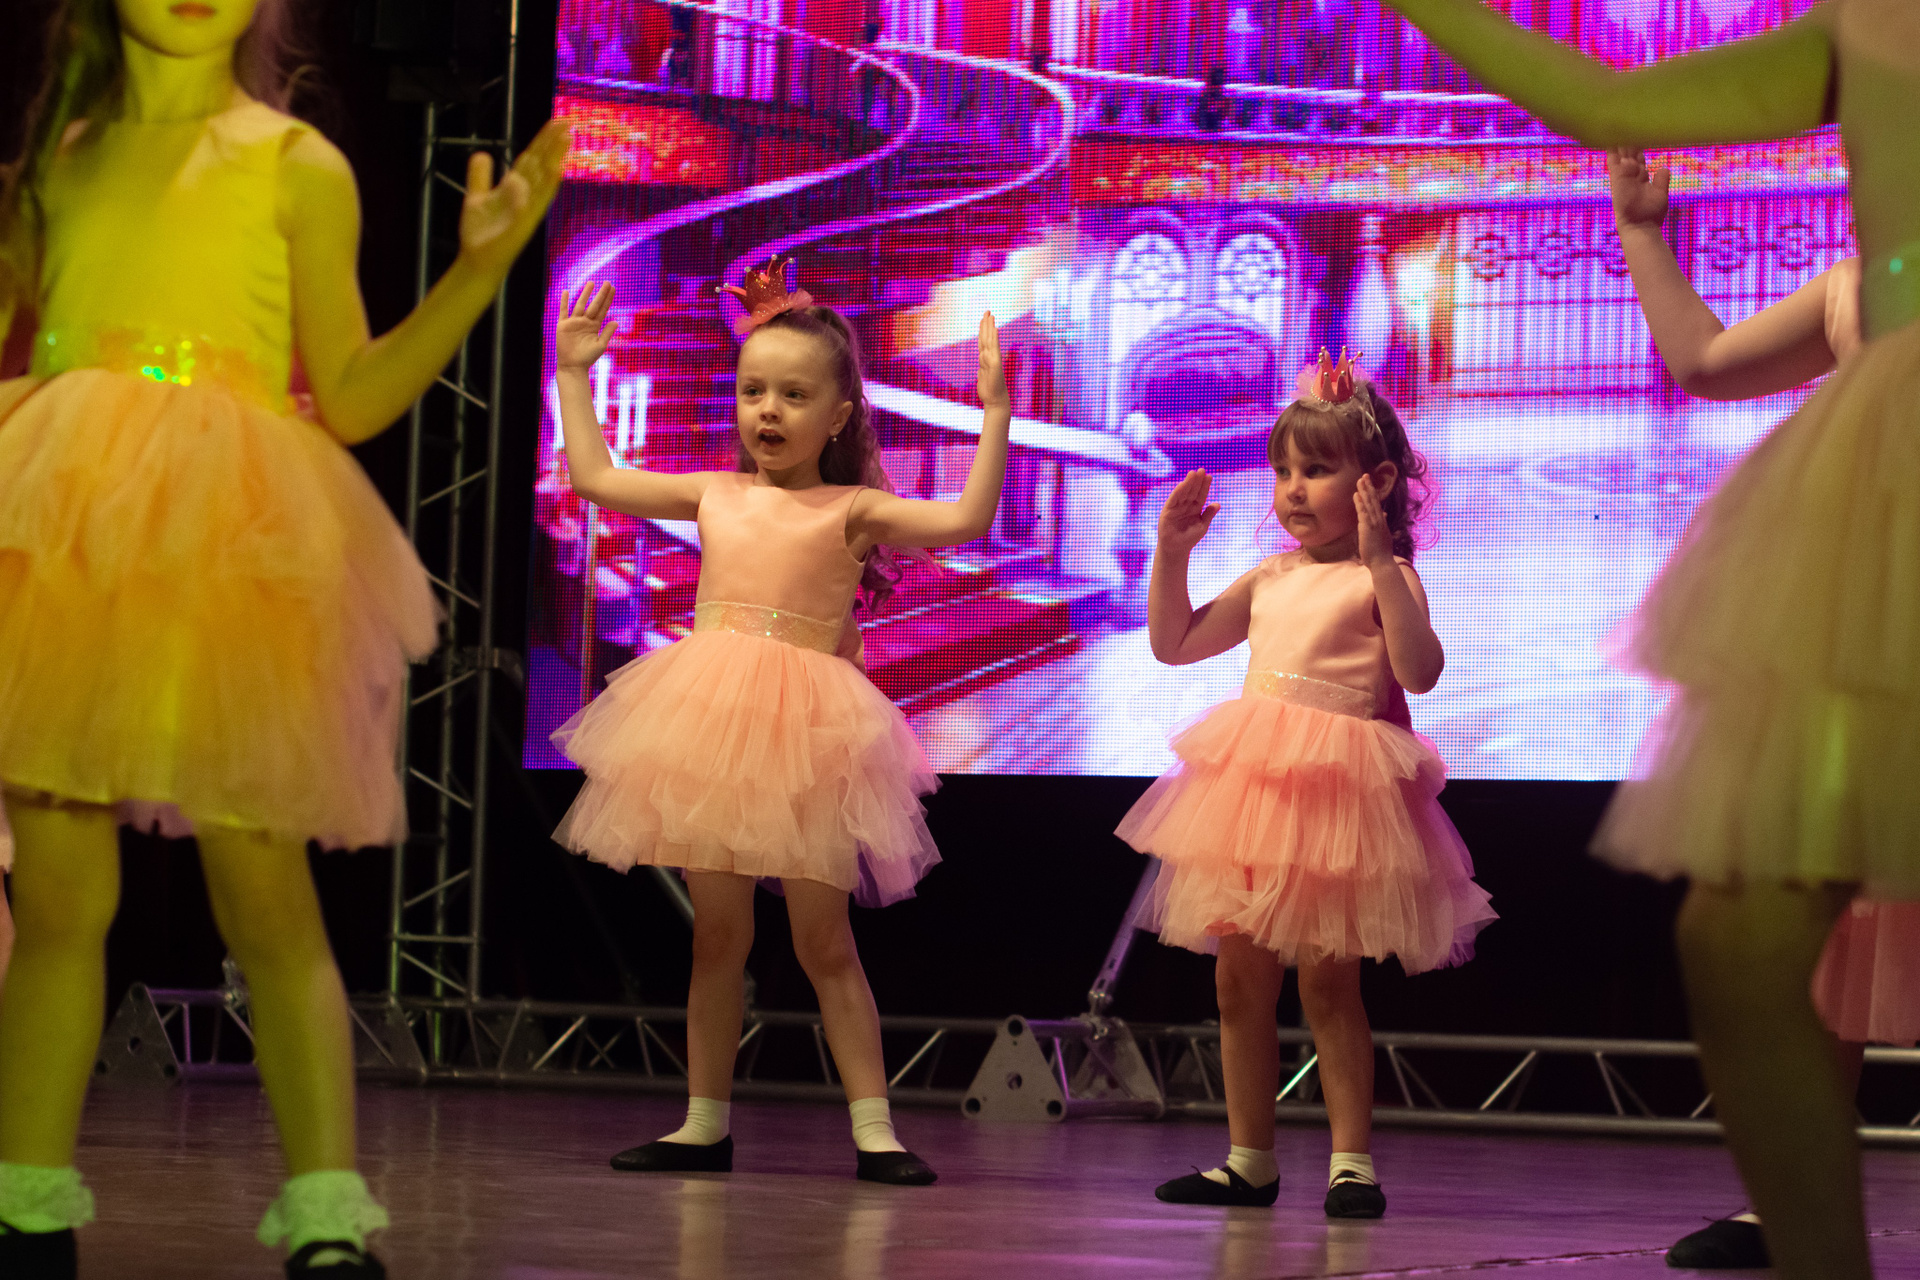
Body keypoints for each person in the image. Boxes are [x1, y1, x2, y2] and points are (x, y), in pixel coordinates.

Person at [0, 1, 567, 1275]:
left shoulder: (296, 163)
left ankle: (325, 1218)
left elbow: (351, 394)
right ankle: (24, 1209)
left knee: (265, 893)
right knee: (61, 897)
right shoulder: (60, 161)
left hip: (226, 543)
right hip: (64, 536)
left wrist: (478, 271)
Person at [1380, 3, 1920, 1275]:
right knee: (1742, 937)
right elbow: (1700, 337)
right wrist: (1639, 233)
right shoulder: (1875, 38)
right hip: (1895, 503)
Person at [546, 261, 1010, 1185]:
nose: (768, 411)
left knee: (823, 942)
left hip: (808, 737)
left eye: (794, 396)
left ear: (839, 415)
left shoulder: (853, 509)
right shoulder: (716, 494)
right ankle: (702, 1125)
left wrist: (994, 411)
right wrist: (570, 373)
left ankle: (876, 1132)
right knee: (717, 939)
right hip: (713, 724)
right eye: (754, 390)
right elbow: (595, 477)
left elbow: (965, 518)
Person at [1607, 144, 1920, 1270]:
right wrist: (1643, 231)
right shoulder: (1856, 287)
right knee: (1811, 919)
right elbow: (1703, 360)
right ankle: (1794, 1205)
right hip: (1866, 647)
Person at [1117, 351, 1495, 1216]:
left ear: (1378, 482)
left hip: (1336, 800)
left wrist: (1381, 563)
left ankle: (1351, 1163)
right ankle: (1248, 1159)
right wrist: (1170, 554)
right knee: (1237, 981)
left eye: (1317, 470)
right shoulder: (1271, 577)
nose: (1292, 489)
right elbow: (1174, 644)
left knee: (1329, 983)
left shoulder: (1384, 579)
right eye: (1284, 471)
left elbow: (1421, 671)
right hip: (1252, 798)